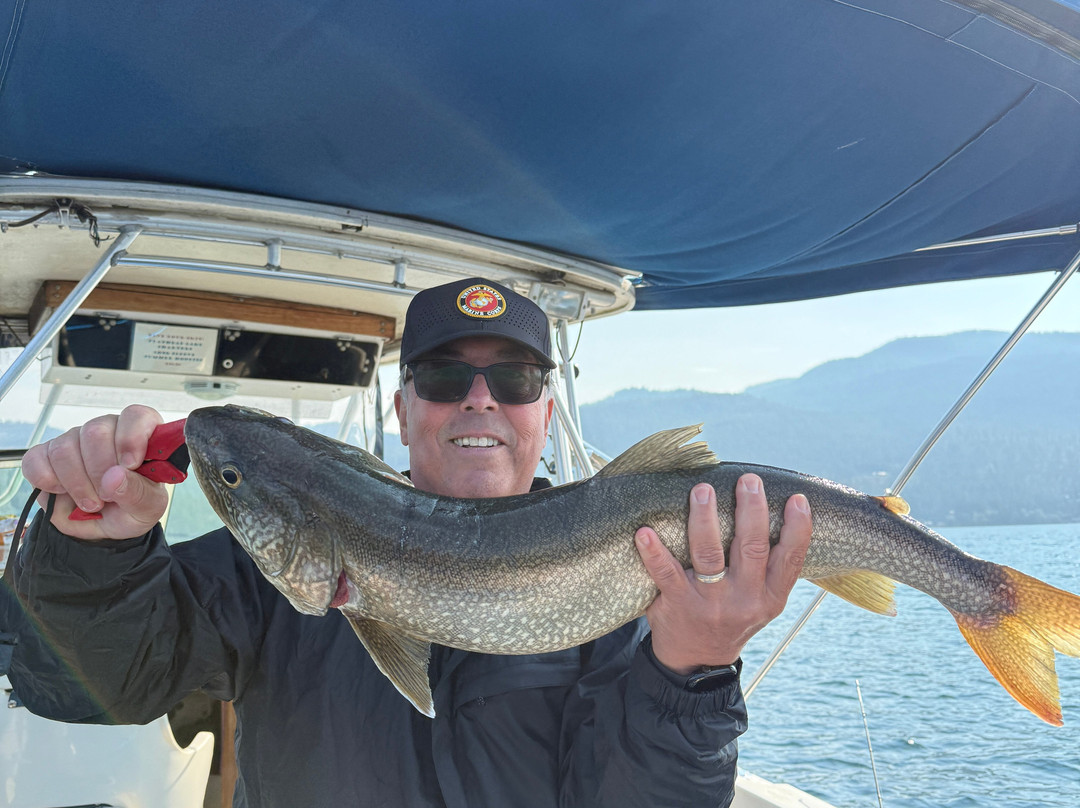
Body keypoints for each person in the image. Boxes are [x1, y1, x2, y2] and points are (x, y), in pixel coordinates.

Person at [3, 277, 812, 807]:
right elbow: (84, 685)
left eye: (517, 379)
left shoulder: (632, 574)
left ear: (543, 408)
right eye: (443, 377)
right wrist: (93, 554)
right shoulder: (254, 571)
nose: (479, 401)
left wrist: (692, 671)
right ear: (401, 407)